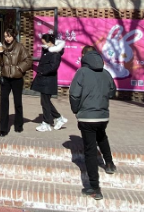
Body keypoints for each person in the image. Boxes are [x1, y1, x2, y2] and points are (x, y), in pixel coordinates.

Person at [70, 45, 117, 201]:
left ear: (84, 56)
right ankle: (109, 164)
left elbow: (74, 94)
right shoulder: (106, 73)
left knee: (90, 151)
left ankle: (94, 187)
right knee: (102, 136)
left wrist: (76, 109)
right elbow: (112, 91)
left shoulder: (81, 72)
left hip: (87, 117)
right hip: (102, 116)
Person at [0, 29, 32, 136]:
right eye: (5, 36)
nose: (7, 38)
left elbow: (28, 60)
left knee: (17, 102)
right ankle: (3, 129)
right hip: (5, 78)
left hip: (17, 78)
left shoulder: (20, 47)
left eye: (9, 36)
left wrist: (19, 68)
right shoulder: (2, 47)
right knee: (3, 103)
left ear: (14, 36)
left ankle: (18, 125)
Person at [31, 33, 67, 132]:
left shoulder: (55, 54)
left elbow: (53, 67)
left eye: (44, 42)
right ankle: (59, 118)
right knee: (45, 102)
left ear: (50, 42)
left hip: (48, 80)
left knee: (45, 102)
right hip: (44, 80)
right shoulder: (47, 51)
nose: (43, 44)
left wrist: (42, 71)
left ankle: (46, 123)